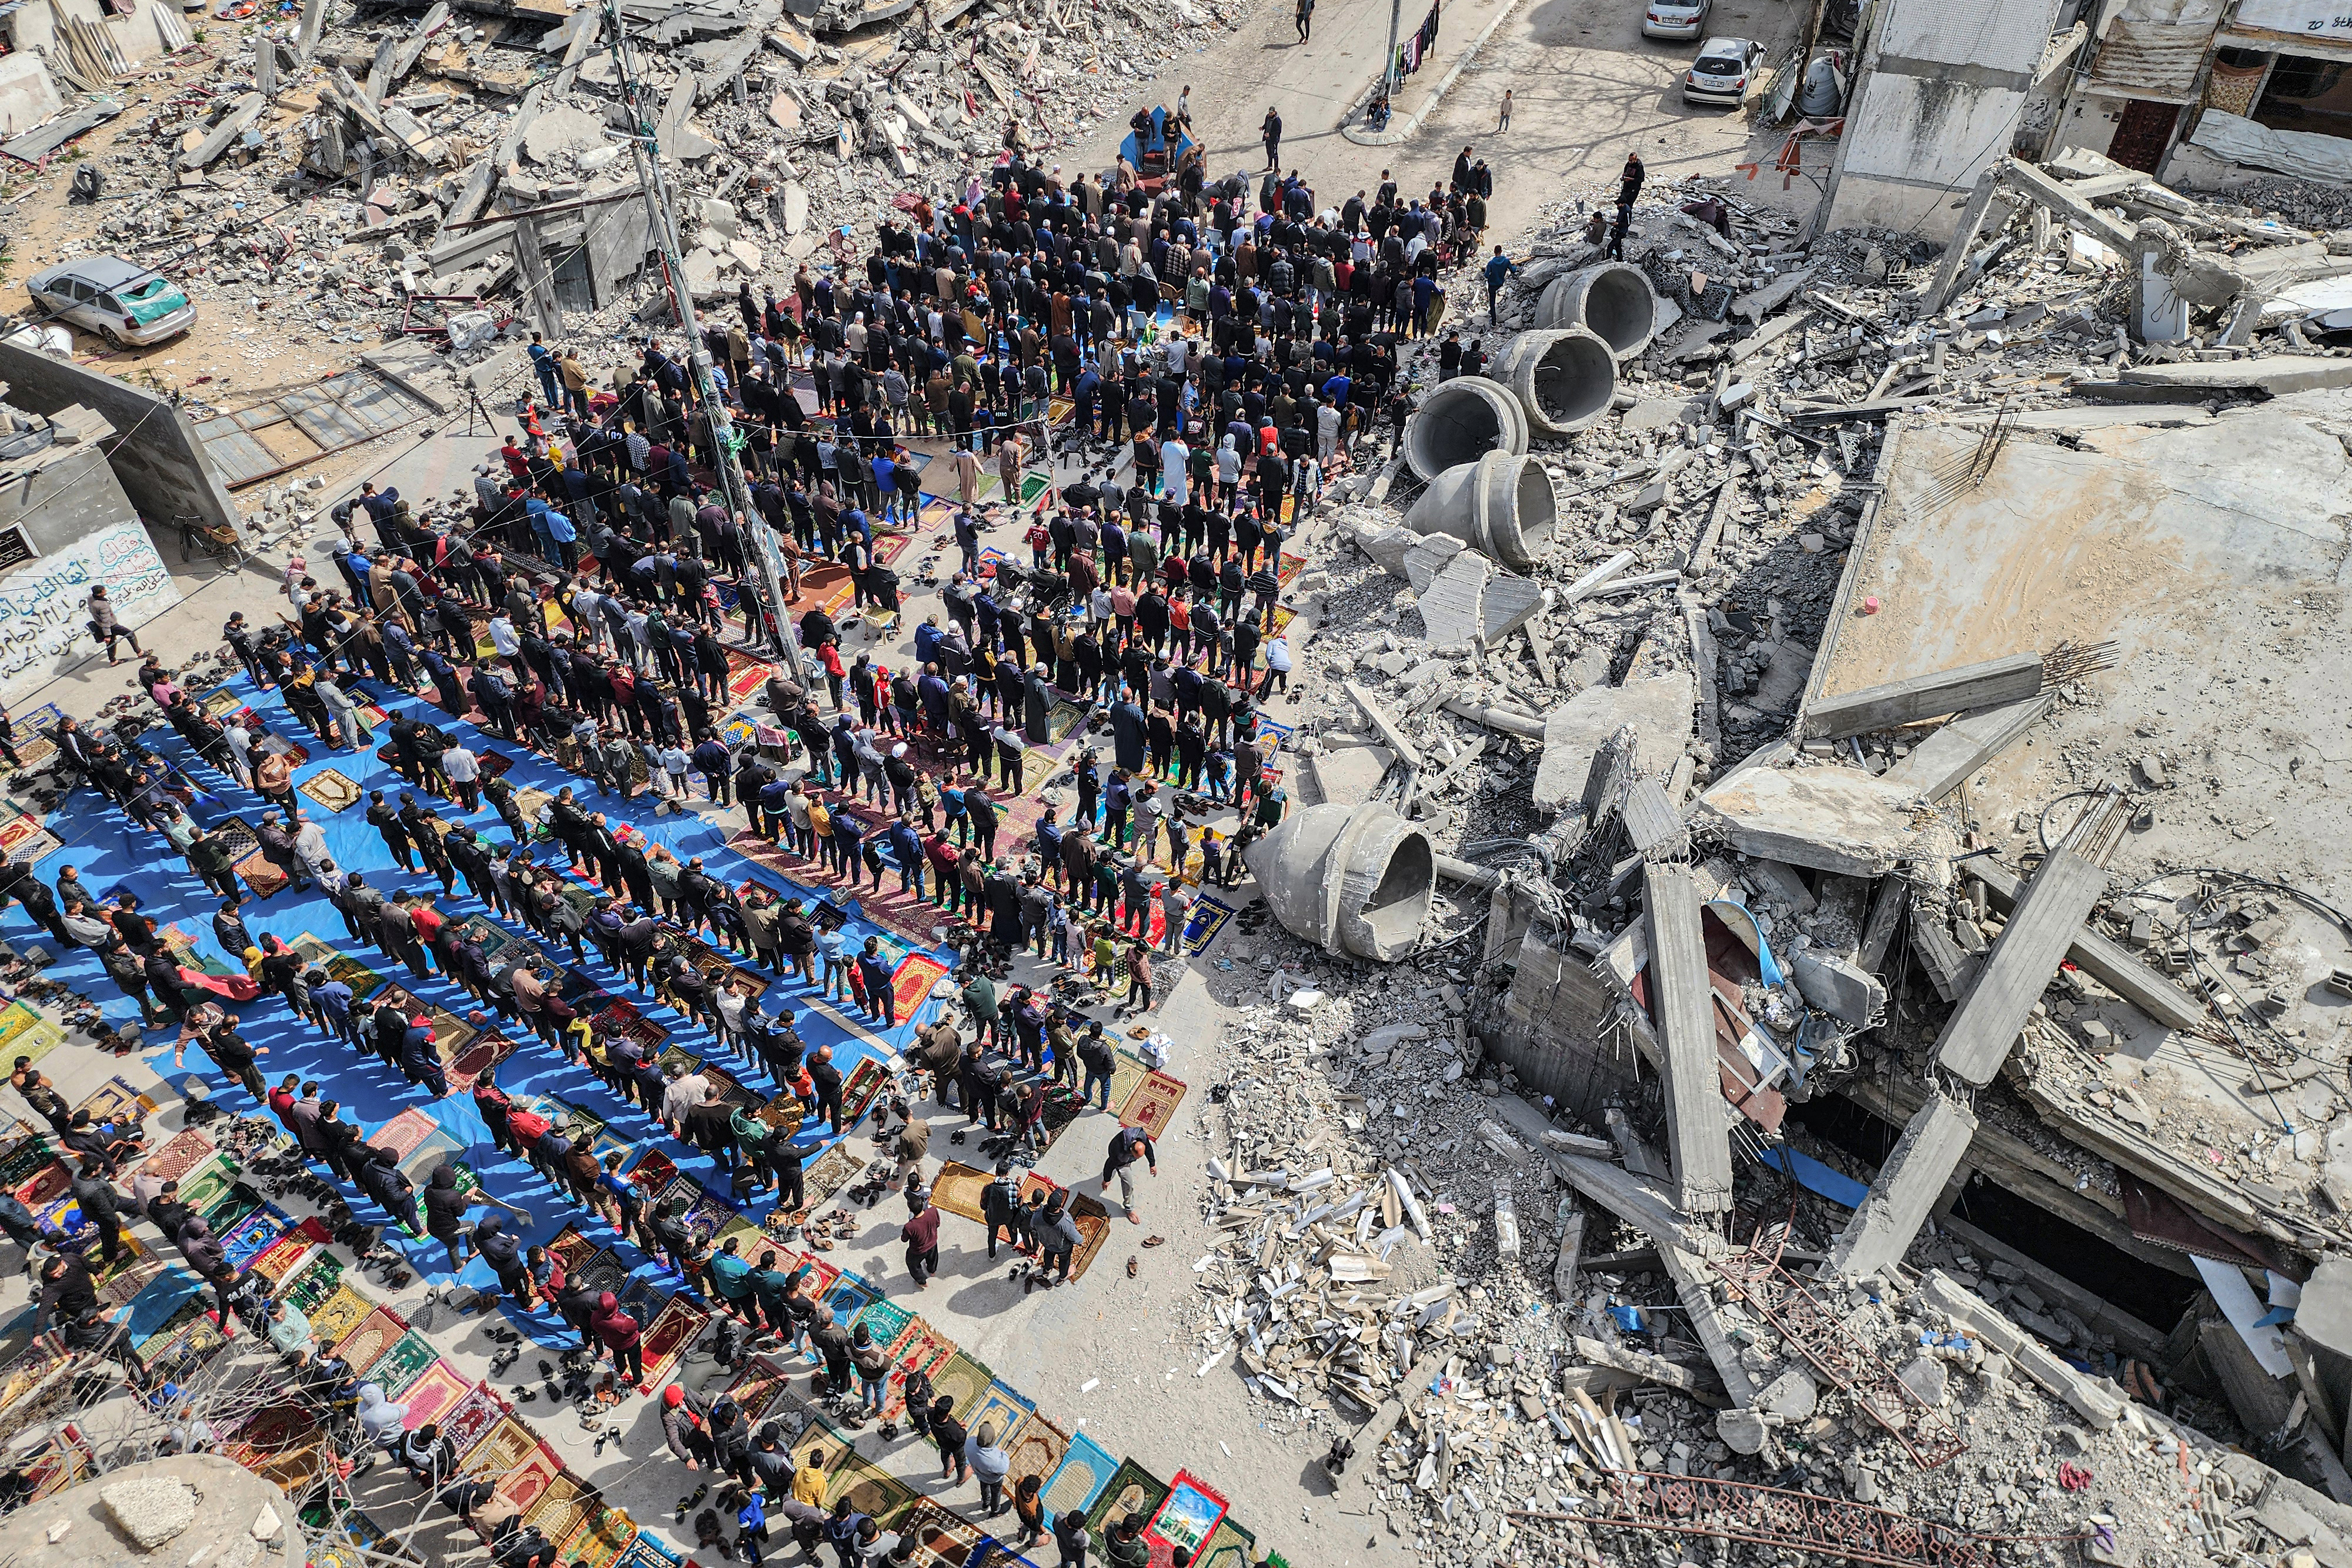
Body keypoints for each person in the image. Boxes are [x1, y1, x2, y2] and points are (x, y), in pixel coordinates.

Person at [1102, 1125, 1156, 1225]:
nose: (1138, 1159)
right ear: (1132, 1151)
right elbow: (1110, 1164)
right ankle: (1129, 1209)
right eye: (1137, 1157)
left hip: (1126, 1156)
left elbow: (1148, 1148)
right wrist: (1107, 1179)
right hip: (1122, 1163)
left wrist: (1152, 1164)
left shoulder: (1141, 1136)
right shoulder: (1118, 1154)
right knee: (1129, 1185)